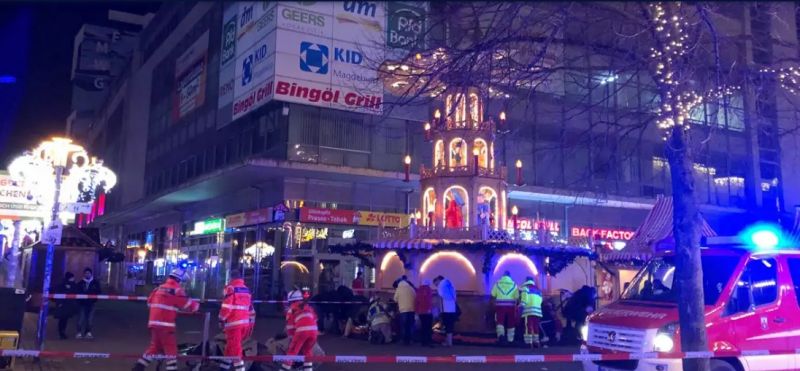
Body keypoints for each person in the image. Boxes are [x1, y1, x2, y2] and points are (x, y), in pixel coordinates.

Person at [133, 268, 199, 371]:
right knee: (171, 350)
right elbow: (186, 304)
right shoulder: (176, 290)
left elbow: (149, 303)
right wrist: (195, 306)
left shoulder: (159, 288)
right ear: (179, 280)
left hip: (153, 323)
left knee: (154, 347)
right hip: (166, 325)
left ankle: (138, 367)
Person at [218, 269, 255, 371]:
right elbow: (249, 307)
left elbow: (226, 306)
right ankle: (223, 367)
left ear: (231, 278)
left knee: (235, 349)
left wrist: (221, 318)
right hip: (244, 323)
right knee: (230, 347)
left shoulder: (231, 288)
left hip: (233, 324)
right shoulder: (246, 289)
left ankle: (240, 369)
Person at [283, 290, 318, 371]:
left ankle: (283, 369)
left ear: (291, 301)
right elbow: (315, 320)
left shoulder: (291, 309)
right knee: (307, 351)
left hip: (301, 332)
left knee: (292, 352)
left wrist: (292, 339)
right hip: (314, 331)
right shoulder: (309, 307)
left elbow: (290, 327)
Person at [490, 271, 518, 344]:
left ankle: (501, 337)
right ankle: (510, 339)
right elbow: (517, 296)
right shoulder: (514, 284)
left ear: (503, 276)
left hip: (500, 305)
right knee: (511, 322)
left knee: (500, 321)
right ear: (510, 276)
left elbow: (493, 294)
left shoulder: (497, 283)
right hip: (511, 306)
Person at [77, 267, 101, 339]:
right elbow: (77, 292)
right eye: (86, 273)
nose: (87, 275)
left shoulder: (95, 283)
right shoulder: (80, 283)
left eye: (88, 273)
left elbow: (98, 292)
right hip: (82, 304)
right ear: (84, 274)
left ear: (91, 274)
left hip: (91, 303)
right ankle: (79, 332)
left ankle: (88, 332)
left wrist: (94, 299)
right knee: (81, 318)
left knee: (90, 319)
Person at [432, 275, 457, 347]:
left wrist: (439, 310)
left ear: (438, 280)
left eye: (435, 283)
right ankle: (450, 341)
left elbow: (440, 298)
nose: (436, 285)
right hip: (452, 308)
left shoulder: (441, 285)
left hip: (446, 309)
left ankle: (448, 343)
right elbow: (455, 295)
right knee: (450, 326)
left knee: (447, 326)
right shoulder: (450, 282)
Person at [519, 277, 543, 348]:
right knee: (536, 327)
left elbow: (524, 301)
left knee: (528, 327)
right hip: (537, 312)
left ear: (526, 281)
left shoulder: (525, 289)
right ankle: (536, 342)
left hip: (528, 311)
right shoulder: (538, 291)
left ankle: (529, 343)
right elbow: (541, 301)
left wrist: (519, 308)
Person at [393, 276, 416, 345]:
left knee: (404, 325)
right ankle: (411, 340)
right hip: (412, 309)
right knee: (411, 325)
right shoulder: (411, 288)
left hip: (403, 310)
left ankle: (404, 340)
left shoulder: (399, 289)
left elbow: (395, 299)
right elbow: (415, 296)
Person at [55, 272, 78, 340]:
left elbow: (75, 292)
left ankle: (63, 332)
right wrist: (59, 303)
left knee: (65, 319)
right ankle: (61, 332)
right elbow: (59, 293)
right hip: (63, 304)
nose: (73, 279)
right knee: (62, 319)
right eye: (72, 277)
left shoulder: (73, 284)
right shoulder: (62, 285)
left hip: (68, 305)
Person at [415, 279, 434, 347]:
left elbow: (416, 301)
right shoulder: (428, 289)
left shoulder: (418, 290)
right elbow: (428, 300)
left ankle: (423, 342)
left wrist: (417, 311)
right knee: (428, 327)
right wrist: (429, 309)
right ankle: (428, 342)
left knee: (423, 327)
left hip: (420, 312)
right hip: (427, 312)